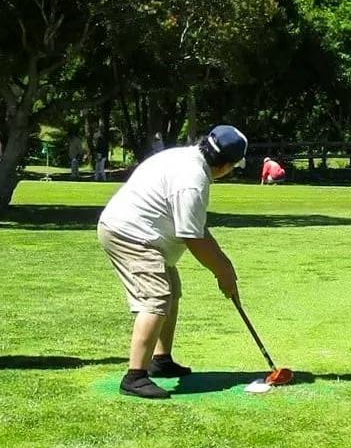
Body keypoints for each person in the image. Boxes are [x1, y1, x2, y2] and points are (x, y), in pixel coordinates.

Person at [97, 125, 248, 400]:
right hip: (130, 234)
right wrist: (223, 271)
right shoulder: (193, 180)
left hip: (141, 231)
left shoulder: (186, 158)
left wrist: (224, 266)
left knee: (171, 291)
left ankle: (160, 360)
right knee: (156, 296)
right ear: (226, 166)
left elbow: (197, 228)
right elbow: (193, 238)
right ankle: (135, 377)